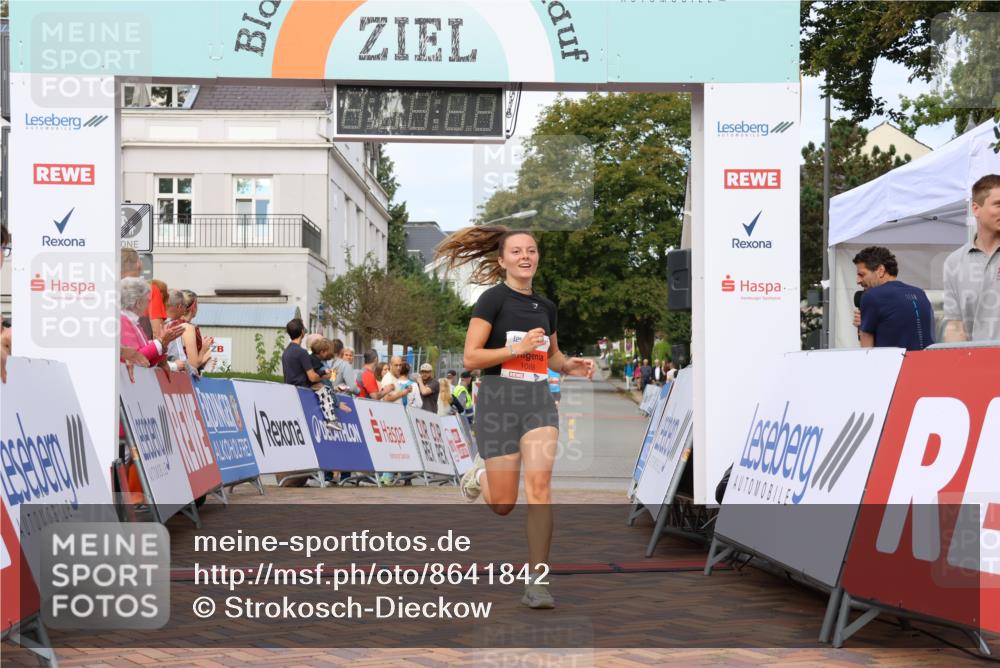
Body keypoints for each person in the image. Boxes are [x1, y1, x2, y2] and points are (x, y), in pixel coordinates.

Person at [436, 224, 595, 610]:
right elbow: (472, 357)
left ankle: (537, 583)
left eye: (532, 250)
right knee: (504, 503)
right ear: (502, 260)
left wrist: (568, 365)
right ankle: (480, 475)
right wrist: (517, 348)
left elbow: (550, 356)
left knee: (539, 488)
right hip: (497, 400)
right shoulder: (492, 300)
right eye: (517, 251)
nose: (526, 256)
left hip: (538, 400)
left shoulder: (546, 306)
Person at [943, 174, 1000, 343]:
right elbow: (956, 326)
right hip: (978, 364)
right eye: (998, 205)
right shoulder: (954, 262)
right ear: (976, 209)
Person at [852, 246, 934, 351]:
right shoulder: (920, 293)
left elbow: (867, 352)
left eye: (861, 274)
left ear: (881, 270)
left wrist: (863, 328)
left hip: (892, 365)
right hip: (924, 363)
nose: (858, 281)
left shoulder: (871, 296)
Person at [120, 278, 183, 367]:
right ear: (138, 303)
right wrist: (161, 341)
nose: (149, 304)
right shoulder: (123, 321)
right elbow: (136, 358)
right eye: (148, 300)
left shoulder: (133, 322)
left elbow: (148, 362)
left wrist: (164, 342)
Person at [281, 318, 324, 388]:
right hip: (301, 392)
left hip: (289, 390)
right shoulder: (302, 352)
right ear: (302, 332)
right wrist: (325, 377)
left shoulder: (286, 352)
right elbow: (312, 378)